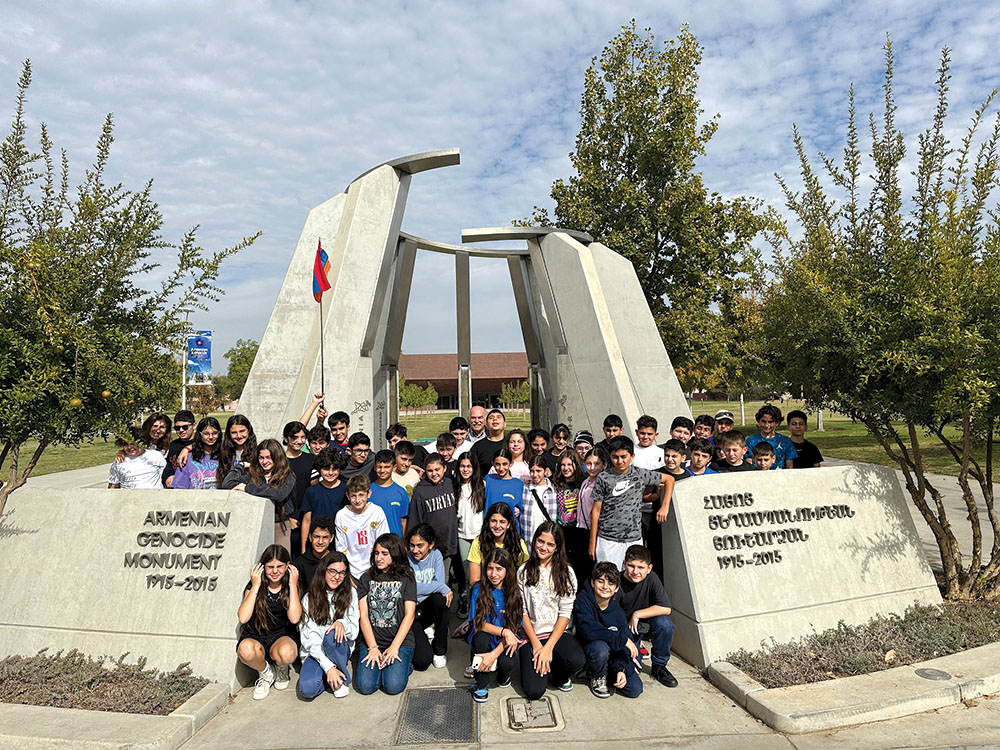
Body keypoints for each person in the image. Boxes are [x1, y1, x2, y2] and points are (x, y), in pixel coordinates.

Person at [518, 522, 586, 700]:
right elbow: (522, 612)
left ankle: (558, 674)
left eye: (550, 544)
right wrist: (537, 645)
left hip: (557, 633)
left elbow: (565, 613)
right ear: (535, 541)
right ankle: (539, 665)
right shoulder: (522, 572)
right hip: (531, 635)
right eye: (541, 541)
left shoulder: (567, 573)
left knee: (577, 660)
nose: (544, 547)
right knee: (534, 692)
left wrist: (547, 649)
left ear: (557, 548)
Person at [589, 435, 674, 569]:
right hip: (607, 539)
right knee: (609, 579)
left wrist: (664, 506)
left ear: (632, 456)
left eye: (624, 457)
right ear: (610, 456)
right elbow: (596, 511)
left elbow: (669, 479)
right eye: (615, 457)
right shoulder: (603, 477)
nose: (620, 461)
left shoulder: (640, 474)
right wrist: (593, 542)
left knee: (633, 578)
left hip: (634, 538)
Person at [236, 545, 301, 700]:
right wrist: (256, 585)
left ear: (287, 566)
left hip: (281, 636)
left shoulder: (291, 585)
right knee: (245, 650)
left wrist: (293, 584)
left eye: (279, 566)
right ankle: (266, 673)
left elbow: (294, 618)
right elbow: (243, 618)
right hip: (256, 636)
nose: (275, 571)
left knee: (288, 653)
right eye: (270, 567)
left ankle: (281, 668)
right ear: (262, 567)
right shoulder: (254, 585)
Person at [355, 533, 417, 695]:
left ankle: (405, 666)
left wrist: (395, 647)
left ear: (395, 554)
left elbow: (409, 615)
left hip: (399, 642)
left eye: (384, 553)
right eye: (376, 553)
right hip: (373, 641)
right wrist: (373, 647)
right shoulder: (366, 578)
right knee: (366, 686)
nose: (379, 558)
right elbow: (364, 615)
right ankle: (387, 666)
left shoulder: (407, 578)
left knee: (392, 687)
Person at [573, 562, 642, 699]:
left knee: (634, 688)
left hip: (611, 656)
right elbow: (588, 630)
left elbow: (627, 643)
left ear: (616, 589)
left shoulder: (617, 611)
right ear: (593, 583)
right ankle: (596, 675)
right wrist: (620, 639)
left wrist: (621, 669)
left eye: (611, 583)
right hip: (589, 651)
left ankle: (609, 673)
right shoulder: (583, 600)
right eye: (601, 581)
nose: (605, 587)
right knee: (600, 647)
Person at [297, 552, 358, 700]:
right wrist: (328, 667)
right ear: (324, 570)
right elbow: (309, 639)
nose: (337, 576)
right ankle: (331, 674)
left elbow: (354, 631)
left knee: (332, 634)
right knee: (307, 690)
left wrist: (342, 623)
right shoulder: (309, 598)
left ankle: (339, 680)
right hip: (316, 653)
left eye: (342, 573)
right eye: (332, 571)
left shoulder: (351, 593)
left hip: (338, 647)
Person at [617, 545, 677, 688]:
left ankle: (659, 666)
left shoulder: (652, 578)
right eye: (631, 566)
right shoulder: (617, 581)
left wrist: (637, 614)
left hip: (645, 624)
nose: (635, 571)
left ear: (649, 568)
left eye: (641, 567)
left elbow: (666, 608)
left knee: (665, 624)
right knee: (632, 667)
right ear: (624, 564)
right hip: (625, 629)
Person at [468, 548, 523, 703]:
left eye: (499, 569)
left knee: (506, 663)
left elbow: (515, 628)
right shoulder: (479, 588)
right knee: (480, 640)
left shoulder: (515, 591)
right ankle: (481, 684)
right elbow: (479, 623)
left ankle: (502, 676)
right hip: (487, 634)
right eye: (490, 568)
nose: (493, 574)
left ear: (508, 570)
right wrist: (504, 631)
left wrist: (493, 655)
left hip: (505, 642)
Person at [224, 438, 297, 551]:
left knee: (280, 562)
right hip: (255, 525)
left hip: (279, 525)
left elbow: (279, 494)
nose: (264, 461)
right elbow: (227, 484)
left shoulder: (288, 476)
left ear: (277, 457)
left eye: (268, 457)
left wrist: (248, 488)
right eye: (261, 458)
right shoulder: (254, 476)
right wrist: (241, 465)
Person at [407, 454, 458, 583]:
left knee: (449, 579)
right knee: (435, 581)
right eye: (430, 470)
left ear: (444, 468)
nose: (434, 473)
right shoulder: (420, 491)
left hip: (450, 541)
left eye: (437, 470)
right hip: (430, 547)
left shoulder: (449, 483)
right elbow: (415, 519)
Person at [407, 523, 451, 670]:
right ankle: (422, 634)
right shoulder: (406, 559)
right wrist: (442, 587)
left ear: (431, 544)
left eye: (420, 545)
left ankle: (439, 650)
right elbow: (410, 589)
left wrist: (440, 587)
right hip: (411, 611)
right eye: (412, 545)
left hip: (429, 607)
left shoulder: (436, 555)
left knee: (441, 599)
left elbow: (438, 585)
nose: (415, 550)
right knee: (421, 662)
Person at [335, 475, 389, 582]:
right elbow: (341, 548)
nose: (357, 500)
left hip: (374, 568)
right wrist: (346, 573)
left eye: (361, 495)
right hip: (352, 571)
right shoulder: (341, 516)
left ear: (369, 493)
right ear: (348, 496)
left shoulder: (377, 512)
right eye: (353, 496)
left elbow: (384, 542)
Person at [468, 501, 530, 590]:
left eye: (502, 522)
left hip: (511, 590)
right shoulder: (478, 542)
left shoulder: (518, 543)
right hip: (486, 589)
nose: (497, 526)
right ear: (488, 522)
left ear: (508, 524)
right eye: (493, 521)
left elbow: (524, 575)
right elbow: (474, 580)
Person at [453, 454, 485, 617]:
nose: (465, 470)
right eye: (462, 466)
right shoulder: (454, 486)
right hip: (462, 535)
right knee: (468, 573)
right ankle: (467, 601)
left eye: (469, 466)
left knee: (483, 572)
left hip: (480, 536)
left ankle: (482, 602)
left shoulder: (482, 485)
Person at [299, 449, 347, 552]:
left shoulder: (346, 490)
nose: (330, 473)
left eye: (334, 469)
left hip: (340, 543)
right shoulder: (311, 491)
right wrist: (303, 550)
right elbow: (307, 521)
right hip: (316, 544)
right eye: (326, 469)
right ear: (319, 469)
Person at [575, 446, 607, 583]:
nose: (592, 467)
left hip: (596, 532)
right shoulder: (585, 482)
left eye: (596, 464)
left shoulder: (603, 484)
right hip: (582, 530)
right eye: (589, 463)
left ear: (604, 465)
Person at [553, 451, 587, 579]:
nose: (566, 468)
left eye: (569, 464)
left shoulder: (583, 482)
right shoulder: (557, 484)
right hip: (562, 530)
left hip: (580, 530)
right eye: (563, 465)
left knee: (580, 565)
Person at [283, 421, 314, 554]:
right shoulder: (279, 461)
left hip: (307, 515)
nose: (300, 441)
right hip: (286, 518)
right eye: (295, 437)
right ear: (286, 438)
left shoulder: (312, 459)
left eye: (303, 437)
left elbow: (313, 490)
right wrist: (289, 515)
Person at [171, 417, 221, 490]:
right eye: (206, 434)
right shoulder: (188, 457)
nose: (211, 437)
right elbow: (179, 487)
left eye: (215, 433)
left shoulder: (225, 454)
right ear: (200, 434)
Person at [370, 449, 410, 537]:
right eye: (379, 467)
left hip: (395, 542)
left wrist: (404, 543)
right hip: (373, 541)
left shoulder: (401, 492)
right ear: (375, 467)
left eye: (387, 467)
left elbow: (404, 521)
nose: (382, 470)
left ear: (394, 467)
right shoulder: (368, 491)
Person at [293, 516, 336, 596]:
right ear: (310, 537)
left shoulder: (337, 562)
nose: (320, 542)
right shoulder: (300, 563)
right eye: (316, 537)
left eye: (325, 537)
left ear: (331, 538)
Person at [744, 405, 797, 469]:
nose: (767, 425)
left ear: (777, 423)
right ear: (758, 421)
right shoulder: (751, 440)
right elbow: (749, 463)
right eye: (763, 421)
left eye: (770, 422)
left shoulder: (785, 441)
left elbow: (789, 466)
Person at [521, 455, 557, 545]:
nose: (535, 474)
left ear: (545, 471)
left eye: (538, 471)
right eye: (532, 471)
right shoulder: (524, 490)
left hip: (548, 543)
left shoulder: (554, 490)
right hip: (528, 540)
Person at [216, 415, 257, 487]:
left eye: (242, 431)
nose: (239, 436)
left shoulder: (257, 452)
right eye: (234, 432)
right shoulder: (223, 451)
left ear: (249, 430)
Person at [484, 448, 524, 521]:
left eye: (505, 464)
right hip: (490, 525)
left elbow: (522, 506)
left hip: (510, 527)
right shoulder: (488, 479)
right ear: (493, 464)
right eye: (497, 464)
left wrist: (519, 510)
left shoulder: (518, 484)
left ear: (511, 464)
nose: (501, 468)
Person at [161, 409, 195, 487]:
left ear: (194, 425)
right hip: (177, 487)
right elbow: (169, 464)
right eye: (177, 428)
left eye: (185, 427)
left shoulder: (201, 443)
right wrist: (168, 477)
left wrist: (188, 448)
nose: (181, 430)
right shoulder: (174, 445)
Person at [470, 409, 507, 474]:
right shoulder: (478, 446)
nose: (495, 419)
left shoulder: (512, 444)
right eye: (491, 418)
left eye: (498, 417)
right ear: (486, 424)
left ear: (505, 424)